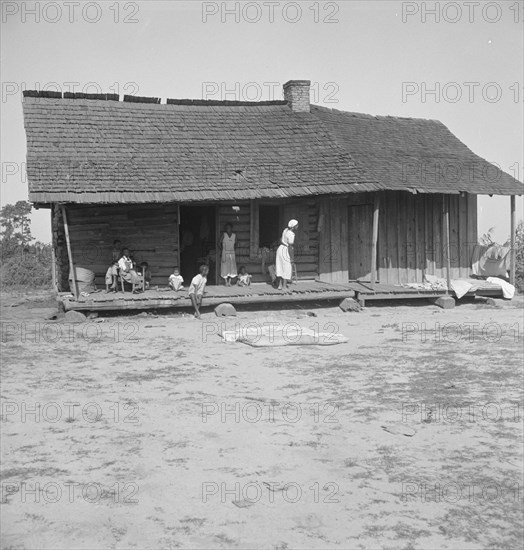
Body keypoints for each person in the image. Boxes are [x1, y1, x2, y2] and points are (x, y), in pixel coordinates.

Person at [276, 219, 298, 291]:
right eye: (296, 225)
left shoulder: (285, 230)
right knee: (286, 267)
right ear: (293, 227)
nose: (297, 226)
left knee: (280, 266)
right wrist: (291, 258)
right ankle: (284, 286)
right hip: (285, 249)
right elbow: (290, 247)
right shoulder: (291, 234)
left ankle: (279, 285)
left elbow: (280, 239)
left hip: (280, 249)